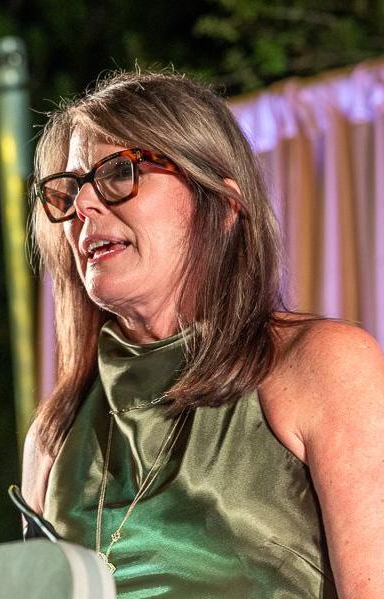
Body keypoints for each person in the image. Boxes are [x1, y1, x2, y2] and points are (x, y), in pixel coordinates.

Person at [21, 70, 384, 598]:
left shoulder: (324, 364)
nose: (83, 207)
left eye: (119, 172)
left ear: (222, 204)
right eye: (70, 189)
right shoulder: (54, 434)